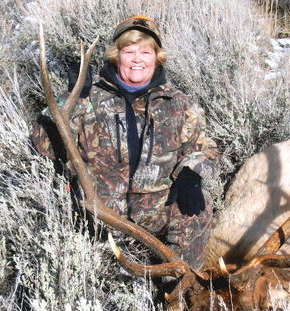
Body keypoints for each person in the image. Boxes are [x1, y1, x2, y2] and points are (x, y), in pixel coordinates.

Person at [32, 15, 219, 270]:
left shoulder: (177, 103)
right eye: (129, 51)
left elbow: (205, 147)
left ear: (157, 58)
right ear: (116, 56)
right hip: (97, 214)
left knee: (200, 205)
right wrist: (73, 98)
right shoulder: (90, 97)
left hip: (156, 213)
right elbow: (44, 146)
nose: (137, 60)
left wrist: (191, 172)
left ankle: (178, 292)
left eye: (146, 52)